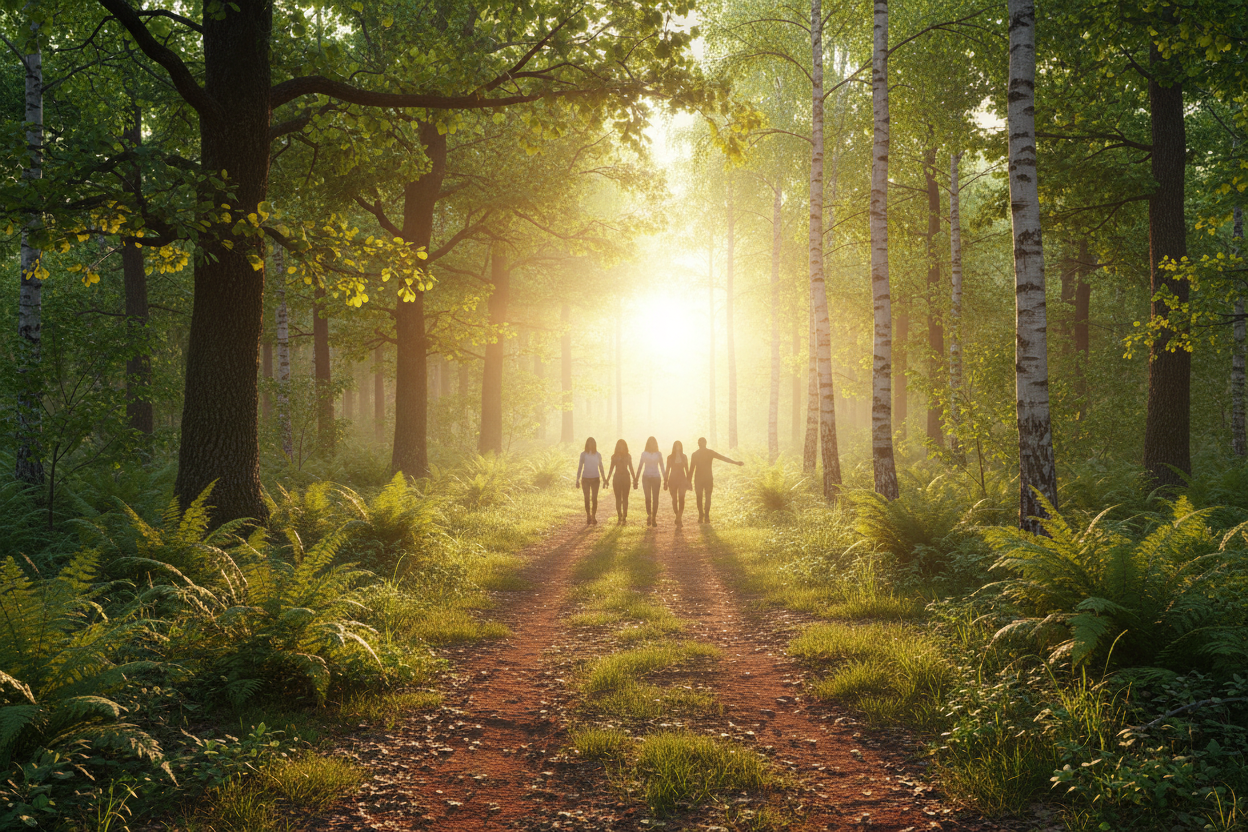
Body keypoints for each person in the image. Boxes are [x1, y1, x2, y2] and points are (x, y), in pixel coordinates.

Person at [687, 437, 743, 523]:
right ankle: (705, 516)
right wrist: (735, 462)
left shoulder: (697, 454)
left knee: (701, 497)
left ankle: (703, 515)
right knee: (706, 497)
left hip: (701, 479)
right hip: (706, 478)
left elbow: (691, 469)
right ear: (705, 443)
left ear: (700, 444)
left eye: (701, 443)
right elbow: (723, 458)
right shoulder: (707, 453)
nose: (701, 444)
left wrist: (689, 481)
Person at [635, 436, 667, 527]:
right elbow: (640, 466)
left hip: (656, 477)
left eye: (654, 442)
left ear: (656, 444)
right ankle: (649, 515)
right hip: (646, 477)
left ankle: (654, 517)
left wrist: (665, 479)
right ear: (648, 444)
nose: (652, 444)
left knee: (655, 498)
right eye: (650, 442)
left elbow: (662, 466)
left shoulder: (659, 454)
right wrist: (636, 479)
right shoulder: (644, 454)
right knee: (648, 498)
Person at [575, 437, 606, 525]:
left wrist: (604, 479)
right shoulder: (583, 454)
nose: (591, 445)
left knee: (594, 498)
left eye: (592, 443)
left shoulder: (598, 455)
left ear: (595, 444)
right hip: (585, 479)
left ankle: (593, 516)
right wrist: (577, 479)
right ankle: (588, 515)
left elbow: (601, 467)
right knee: (587, 498)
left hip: (596, 479)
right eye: (589, 443)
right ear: (587, 444)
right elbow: (580, 467)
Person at [606, 439, 636, 525]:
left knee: (625, 497)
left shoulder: (628, 456)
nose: (621, 448)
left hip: (626, 477)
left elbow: (631, 467)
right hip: (617, 478)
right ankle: (619, 515)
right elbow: (611, 468)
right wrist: (607, 479)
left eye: (623, 446)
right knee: (618, 498)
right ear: (617, 447)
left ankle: (624, 515)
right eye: (620, 446)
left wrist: (634, 479)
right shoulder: (614, 456)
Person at [664, 440, 690, 528]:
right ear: (674, 447)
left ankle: (679, 517)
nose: (678, 447)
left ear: (681, 447)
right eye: (676, 445)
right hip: (672, 480)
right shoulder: (670, 457)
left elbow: (687, 469)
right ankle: (677, 515)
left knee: (682, 498)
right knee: (674, 499)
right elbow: (667, 469)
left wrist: (689, 481)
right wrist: (665, 481)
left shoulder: (684, 457)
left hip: (682, 479)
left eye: (679, 445)